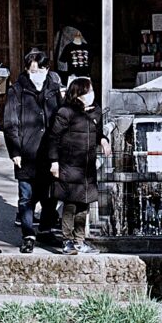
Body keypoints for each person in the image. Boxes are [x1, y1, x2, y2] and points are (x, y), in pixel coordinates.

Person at [1, 47, 62, 249]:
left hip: (50, 150)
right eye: (33, 71)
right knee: (26, 197)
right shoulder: (16, 90)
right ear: (27, 69)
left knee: (49, 195)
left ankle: (45, 229)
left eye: (41, 70)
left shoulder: (54, 88)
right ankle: (28, 234)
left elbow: (61, 118)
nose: (37, 75)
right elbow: (10, 123)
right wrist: (15, 151)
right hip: (26, 150)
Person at [46, 76, 104, 253]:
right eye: (88, 91)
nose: (91, 95)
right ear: (78, 94)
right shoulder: (65, 112)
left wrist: (103, 139)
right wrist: (54, 162)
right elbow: (53, 138)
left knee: (84, 204)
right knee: (70, 204)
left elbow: (98, 132)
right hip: (68, 163)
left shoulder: (95, 112)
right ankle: (67, 240)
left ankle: (80, 239)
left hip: (87, 166)